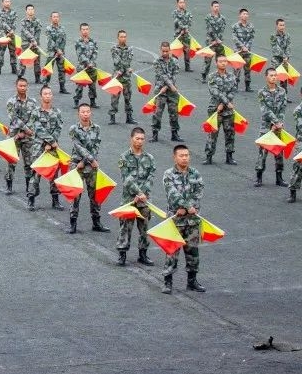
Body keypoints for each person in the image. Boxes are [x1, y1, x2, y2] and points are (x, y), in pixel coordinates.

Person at [161, 144, 205, 294]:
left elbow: (199, 192)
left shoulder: (195, 174)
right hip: (175, 220)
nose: (185, 158)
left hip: (192, 221)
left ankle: (192, 281)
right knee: (172, 251)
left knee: (193, 252)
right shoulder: (168, 174)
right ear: (175, 157)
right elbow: (172, 194)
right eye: (181, 156)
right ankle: (167, 281)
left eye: (187, 155)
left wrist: (187, 208)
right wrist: (187, 206)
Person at [116, 127, 156, 267]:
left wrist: (142, 194)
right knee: (125, 227)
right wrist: (138, 193)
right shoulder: (124, 157)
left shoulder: (149, 158)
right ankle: (122, 254)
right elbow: (126, 179)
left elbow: (150, 178)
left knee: (144, 228)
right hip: (129, 199)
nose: (139, 141)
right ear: (131, 139)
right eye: (137, 138)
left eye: (142, 139)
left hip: (144, 201)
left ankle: (143, 254)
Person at [68, 103, 108, 234]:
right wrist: (88, 160)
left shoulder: (96, 128)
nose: (85, 114)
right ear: (78, 113)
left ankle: (96, 222)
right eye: (83, 112)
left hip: (89, 165)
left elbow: (95, 147)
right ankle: (73, 223)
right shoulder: (73, 129)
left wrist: (85, 161)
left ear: (91, 113)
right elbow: (78, 146)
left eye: (87, 112)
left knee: (94, 195)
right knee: (75, 195)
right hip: (77, 165)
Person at [29, 85, 65, 211]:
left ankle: (55, 200)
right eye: (45, 94)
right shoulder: (35, 112)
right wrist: (50, 141)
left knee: (54, 173)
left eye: (50, 93)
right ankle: (31, 199)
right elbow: (38, 129)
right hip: (39, 147)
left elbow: (59, 128)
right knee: (35, 173)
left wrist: (51, 143)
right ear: (41, 96)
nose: (48, 96)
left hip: (53, 148)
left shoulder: (57, 112)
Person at [254, 67, 288, 187]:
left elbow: (283, 108)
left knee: (279, 153)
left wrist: (279, 123)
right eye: (271, 75)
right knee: (262, 153)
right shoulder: (262, 92)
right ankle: (259, 177)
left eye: (275, 75)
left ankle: (279, 178)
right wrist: (275, 122)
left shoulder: (282, 91)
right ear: (266, 77)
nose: (274, 77)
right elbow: (265, 110)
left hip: (278, 127)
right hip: (266, 127)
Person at [5, 76, 37, 196]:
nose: (23, 88)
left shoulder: (33, 102)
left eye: (24, 86)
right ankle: (9, 186)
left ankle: (29, 187)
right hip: (14, 136)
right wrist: (26, 129)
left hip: (28, 138)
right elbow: (14, 119)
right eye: (20, 86)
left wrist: (25, 132)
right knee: (11, 161)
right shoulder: (11, 102)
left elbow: (34, 118)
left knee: (29, 163)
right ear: (16, 86)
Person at [202, 54, 237, 165]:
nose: (223, 63)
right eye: (221, 61)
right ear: (216, 63)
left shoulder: (232, 76)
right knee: (212, 133)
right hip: (215, 109)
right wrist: (226, 102)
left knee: (230, 133)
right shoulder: (212, 76)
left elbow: (233, 91)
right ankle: (209, 156)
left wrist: (223, 103)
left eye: (225, 61)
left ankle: (229, 156)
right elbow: (214, 91)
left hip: (227, 110)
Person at [151, 41, 182, 143]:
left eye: (167, 51)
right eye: (163, 51)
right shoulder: (157, 62)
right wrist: (170, 86)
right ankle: (155, 134)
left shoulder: (175, 61)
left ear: (170, 50)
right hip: (160, 91)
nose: (165, 53)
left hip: (171, 92)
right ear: (160, 50)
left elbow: (174, 75)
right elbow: (162, 75)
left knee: (174, 113)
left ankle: (175, 134)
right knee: (157, 113)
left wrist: (167, 86)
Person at [109, 30, 136, 126]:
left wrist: (123, 69)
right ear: (118, 38)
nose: (123, 38)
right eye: (121, 37)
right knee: (114, 98)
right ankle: (112, 117)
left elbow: (128, 60)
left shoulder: (130, 49)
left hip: (126, 78)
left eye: (124, 37)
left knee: (128, 98)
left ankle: (129, 117)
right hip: (117, 77)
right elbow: (117, 61)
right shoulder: (114, 48)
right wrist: (126, 68)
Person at [73, 23, 98, 109]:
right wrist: (88, 63)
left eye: (87, 29)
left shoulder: (93, 41)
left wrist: (92, 62)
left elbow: (95, 52)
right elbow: (80, 54)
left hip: (92, 67)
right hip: (82, 68)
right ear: (80, 31)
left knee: (92, 86)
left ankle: (93, 101)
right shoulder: (78, 42)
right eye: (83, 29)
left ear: (89, 30)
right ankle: (76, 101)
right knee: (79, 86)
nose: (85, 31)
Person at [200, 0, 227, 83]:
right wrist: (215, 40)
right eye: (215, 6)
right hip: (211, 42)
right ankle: (204, 76)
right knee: (207, 60)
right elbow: (210, 29)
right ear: (211, 7)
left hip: (219, 42)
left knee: (221, 59)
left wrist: (219, 40)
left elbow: (222, 30)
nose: (216, 8)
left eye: (218, 6)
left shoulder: (222, 18)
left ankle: (220, 75)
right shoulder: (208, 17)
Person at [43, 11, 69, 95]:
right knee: (49, 69)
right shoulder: (48, 29)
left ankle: (62, 87)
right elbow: (50, 41)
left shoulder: (62, 28)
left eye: (57, 17)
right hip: (51, 52)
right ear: (51, 18)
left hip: (61, 53)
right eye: (54, 17)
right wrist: (57, 50)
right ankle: (45, 85)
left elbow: (64, 40)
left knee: (62, 70)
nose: (56, 18)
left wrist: (60, 50)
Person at [17, 4, 42, 83]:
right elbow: (25, 32)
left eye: (32, 9)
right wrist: (32, 40)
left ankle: (37, 78)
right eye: (29, 9)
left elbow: (38, 32)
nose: (30, 11)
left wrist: (35, 41)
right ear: (26, 11)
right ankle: (20, 76)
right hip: (26, 44)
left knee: (37, 61)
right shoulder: (23, 21)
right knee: (23, 61)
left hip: (35, 44)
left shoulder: (37, 21)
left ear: (34, 11)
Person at [233, 8, 256, 92]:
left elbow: (251, 38)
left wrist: (247, 47)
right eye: (244, 14)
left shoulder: (251, 26)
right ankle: (235, 86)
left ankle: (247, 86)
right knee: (237, 69)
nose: (245, 15)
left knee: (248, 69)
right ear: (240, 15)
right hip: (238, 51)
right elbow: (235, 38)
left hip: (247, 51)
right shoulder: (235, 26)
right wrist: (242, 46)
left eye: (247, 14)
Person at [0, 0, 18, 75]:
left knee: (13, 51)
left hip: (12, 34)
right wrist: (10, 30)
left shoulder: (13, 12)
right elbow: (2, 22)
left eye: (9, 1)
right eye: (6, 1)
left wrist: (12, 31)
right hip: (3, 34)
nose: (8, 3)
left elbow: (15, 22)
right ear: (2, 3)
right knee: (1, 51)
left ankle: (14, 68)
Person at [173, 0, 194, 72]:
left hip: (186, 35)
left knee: (187, 51)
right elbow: (177, 22)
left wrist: (186, 29)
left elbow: (190, 22)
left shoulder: (188, 13)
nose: (182, 4)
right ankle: (174, 66)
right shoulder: (175, 12)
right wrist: (184, 29)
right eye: (180, 2)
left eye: (183, 2)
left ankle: (187, 67)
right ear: (177, 3)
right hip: (178, 34)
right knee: (176, 51)